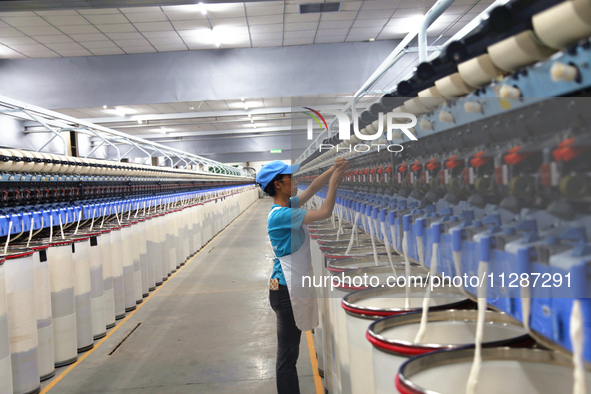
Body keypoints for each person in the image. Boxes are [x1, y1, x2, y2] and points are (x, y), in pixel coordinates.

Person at [256, 158, 350, 394]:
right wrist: (335, 183)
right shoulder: (282, 215)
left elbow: (312, 189)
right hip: (286, 292)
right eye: (292, 178)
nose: (297, 181)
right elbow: (325, 211)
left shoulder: (285, 207)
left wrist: (333, 169)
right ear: (278, 185)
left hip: (285, 287)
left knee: (289, 354)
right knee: (288, 357)